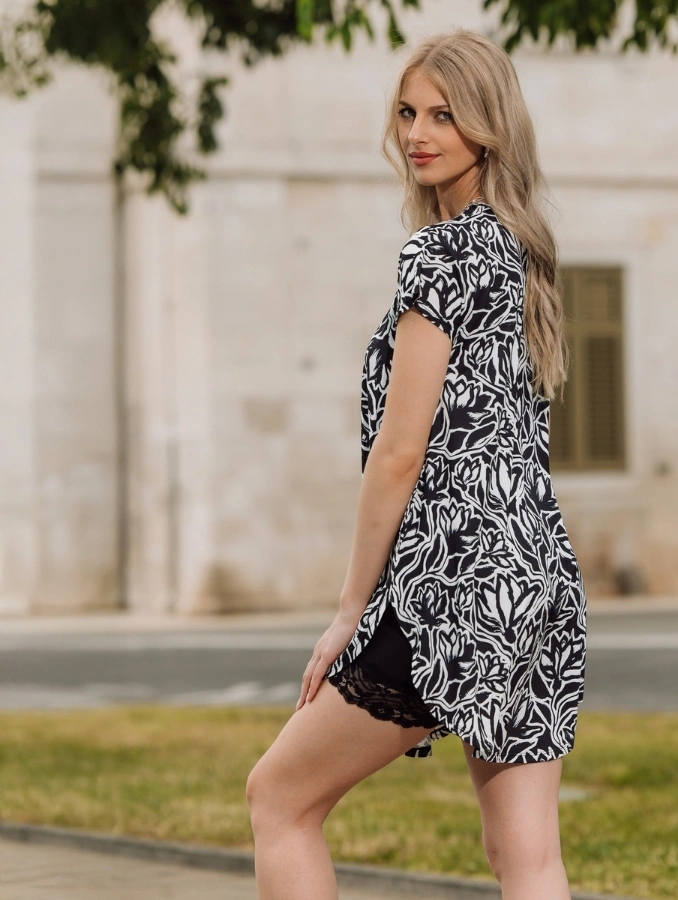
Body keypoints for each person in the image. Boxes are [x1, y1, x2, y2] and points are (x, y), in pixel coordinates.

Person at [246, 28, 586, 900]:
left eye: (444, 115)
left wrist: (350, 611)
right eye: (407, 112)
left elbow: (400, 453)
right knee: (527, 858)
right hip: (536, 584)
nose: (418, 133)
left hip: (453, 586)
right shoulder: (521, 249)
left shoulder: (438, 256)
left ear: (490, 127)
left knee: (279, 799)